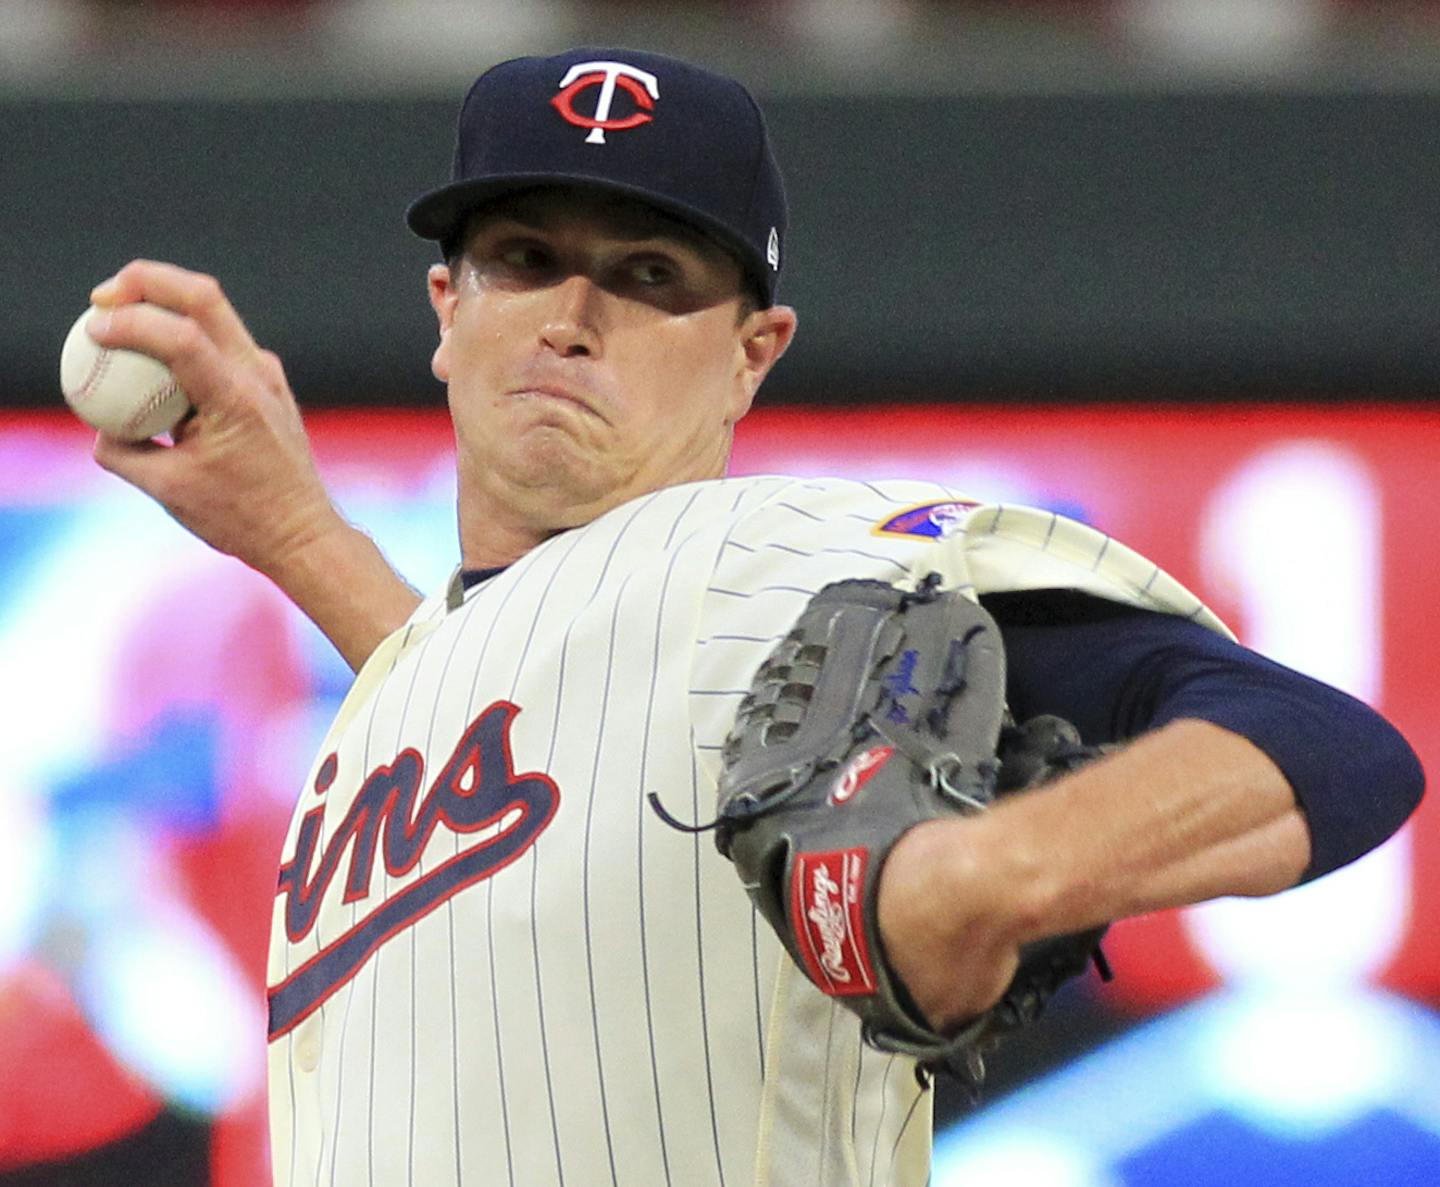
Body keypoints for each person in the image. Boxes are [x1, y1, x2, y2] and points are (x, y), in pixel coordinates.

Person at [86, 47, 1423, 1187]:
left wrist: (979, 877)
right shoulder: (405, 706)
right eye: (524, 259)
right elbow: (502, 695)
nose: (570, 315)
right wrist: (298, 535)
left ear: (752, 352)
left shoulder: (793, 557)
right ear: (450, 310)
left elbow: (1324, 745)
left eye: (651, 275)